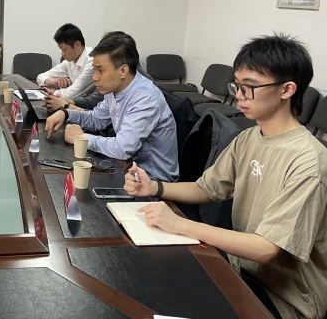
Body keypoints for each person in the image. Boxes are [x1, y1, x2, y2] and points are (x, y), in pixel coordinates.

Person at [124, 33, 327, 319]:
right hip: (240, 270)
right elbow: (206, 189)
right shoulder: (249, 138)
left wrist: (180, 224)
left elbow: (266, 248)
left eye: (249, 87)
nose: (239, 95)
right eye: (237, 85)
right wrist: (155, 187)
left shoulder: (309, 162)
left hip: (285, 300)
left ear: (287, 89)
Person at [44, 31, 178, 182]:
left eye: (100, 70)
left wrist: (81, 138)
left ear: (123, 70)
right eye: (94, 69)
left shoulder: (145, 98)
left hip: (152, 182)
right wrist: (66, 113)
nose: (95, 77)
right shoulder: (115, 88)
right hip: (127, 170)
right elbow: (97, 119)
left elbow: (123, 148)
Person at [36, 23, 95, 100]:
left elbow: (72, 94)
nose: (62, 54)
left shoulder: (92, 61)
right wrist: (54, 81)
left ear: (77, 45)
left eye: (64, 49)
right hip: (76, 102)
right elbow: (40, 77)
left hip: (92, 105)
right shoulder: (70, 61)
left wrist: (54, 92)